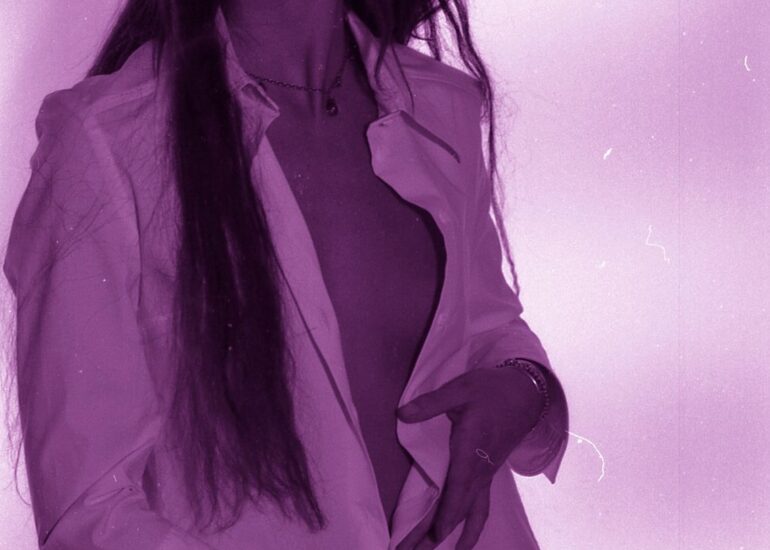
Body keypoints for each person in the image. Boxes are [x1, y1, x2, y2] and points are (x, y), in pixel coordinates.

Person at [2, 1, 569, 548]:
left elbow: (490, 329)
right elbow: (90, 511)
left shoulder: (442, 103)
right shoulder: (107, 139)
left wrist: (529, 389)